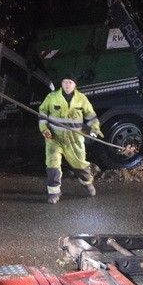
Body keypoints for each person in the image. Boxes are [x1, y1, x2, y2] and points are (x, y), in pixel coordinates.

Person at [38, 75, 102, 204]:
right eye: (65, 82)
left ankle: (87, 182)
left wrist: (94, 129)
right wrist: (45, 130)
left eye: (70, 82)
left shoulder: (81, 99)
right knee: (53, 165)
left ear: (75, 85)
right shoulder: (52, 97)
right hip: (54, 138)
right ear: (61, 83)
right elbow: (42, 113)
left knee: (79, 164)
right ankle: (54, 193)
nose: (67, 84)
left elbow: (91, 115)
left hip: (74, 139)